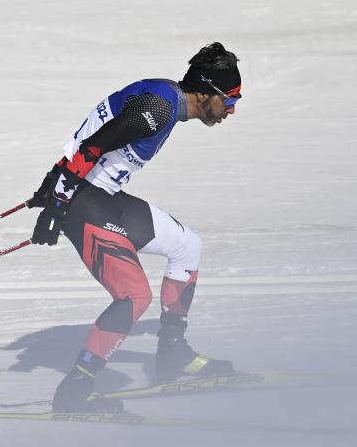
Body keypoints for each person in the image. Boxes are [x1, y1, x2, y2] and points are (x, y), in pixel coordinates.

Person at [28, 42, 242, 413]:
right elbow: (92, 146)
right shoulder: (158, 107)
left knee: (187, 246)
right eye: (230, 100)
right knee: (133, 296)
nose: (232, 110)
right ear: (206, 93)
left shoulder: (164, 99)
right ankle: (76, 390)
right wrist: (57, 203)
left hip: (103, 196)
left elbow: (86, 141)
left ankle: (172, 354)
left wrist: (52, 181)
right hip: (84, 202)